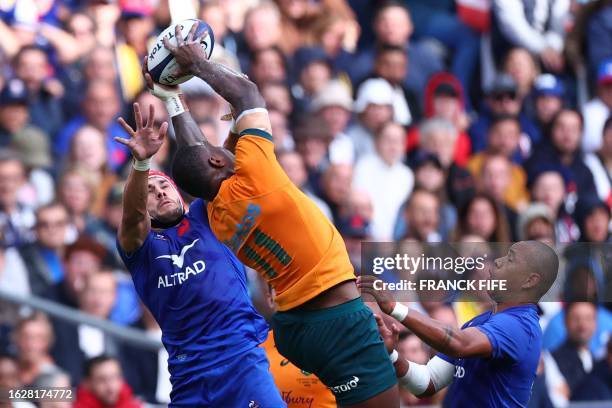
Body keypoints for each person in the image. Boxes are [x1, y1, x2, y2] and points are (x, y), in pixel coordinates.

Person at [159, 24, 399, 407]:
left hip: (293, 329)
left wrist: (170, 96)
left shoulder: (217, 215)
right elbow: (249, 94)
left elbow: (196, 156)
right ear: (219, 161)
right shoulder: (255, 176)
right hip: (335, 316)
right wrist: (198, 65)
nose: (226, 146)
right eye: (220, 149)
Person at [114, 102, 284, 406]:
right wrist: (141, 164)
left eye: (164, 185)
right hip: (189, 375)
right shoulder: (140, 247)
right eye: (150, 191)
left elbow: (213, 163)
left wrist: (174, 100)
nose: (160, 192)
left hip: (242, 360)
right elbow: (133, 216)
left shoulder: (206, 216)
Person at [360, 241, 559, 407]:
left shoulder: (519, 326)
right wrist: (392, 354)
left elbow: (458, 343)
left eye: (510, 258)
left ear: (530, 281)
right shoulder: (482, 322)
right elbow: (427, 382)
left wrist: (396, 308)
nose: (498, 261)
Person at [74, 355, 142, 408]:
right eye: (102, 380)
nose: (111, 387)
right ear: (86, 383)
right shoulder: (72, 403)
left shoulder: (133, 404)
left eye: (115, 377)